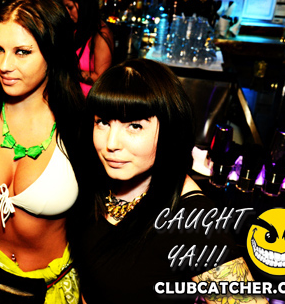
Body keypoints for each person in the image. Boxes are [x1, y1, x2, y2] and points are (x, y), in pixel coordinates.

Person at [72, 59, 268, 304]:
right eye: (103, 122)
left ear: (170, 130)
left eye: (134, 126)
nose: (111, 143)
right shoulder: (99, 179)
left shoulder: (193, 220)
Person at [0, 0, 87, 303]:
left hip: (49, 290)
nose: (4, 65)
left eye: (22, 52)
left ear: (52, 53)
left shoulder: (80, 124)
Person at [60, 0, 114, 96]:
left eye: (70, 7)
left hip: (87, 103)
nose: (67, 13)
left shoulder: (101, 34)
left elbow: (100, 78)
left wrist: (66, 69)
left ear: (83, 4)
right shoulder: (75, 28)